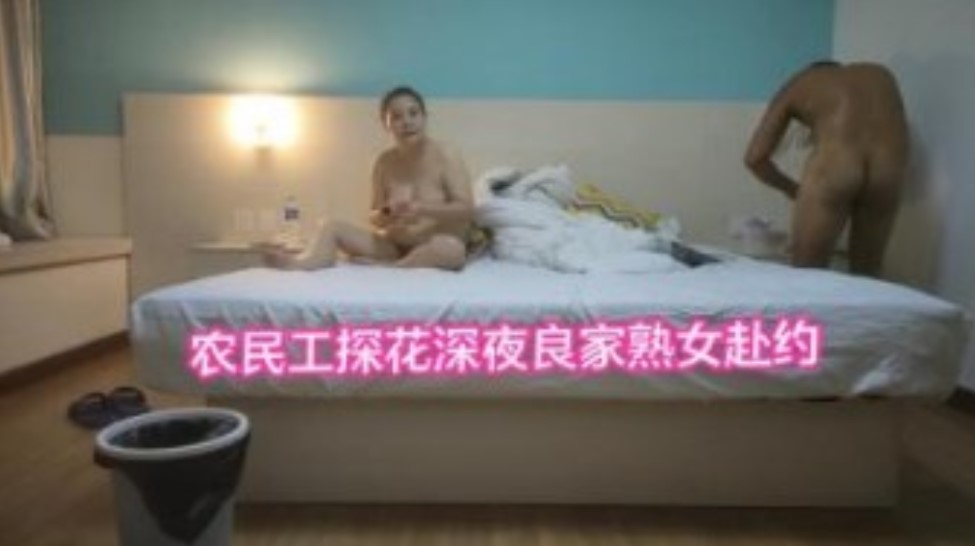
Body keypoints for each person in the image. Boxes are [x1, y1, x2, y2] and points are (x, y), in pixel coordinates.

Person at [262, 86, 475, 271]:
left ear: (424, 117)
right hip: (392, 247)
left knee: (452, 250)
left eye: (413, 113)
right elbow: (374, 216)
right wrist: (389, 212)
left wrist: (422, 208)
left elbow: (467, 209)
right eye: (397, 117)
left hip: (434, 246)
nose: (407, 122)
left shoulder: (446, 154)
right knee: (331, 226)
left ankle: (396, 269)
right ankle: (304, 264)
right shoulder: (384, 162)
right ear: (386, 124)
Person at [744, 61, 908, 277]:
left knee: (807, 273)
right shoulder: (880, 74)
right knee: (868, 274)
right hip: (889, 170)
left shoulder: (802, 83)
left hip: (836, 168)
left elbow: (755, 158)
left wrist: (793, 189)